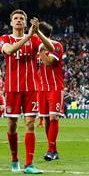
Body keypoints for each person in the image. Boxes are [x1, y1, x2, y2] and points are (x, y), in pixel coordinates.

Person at [0, 11, 54, 174]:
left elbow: (51, 48)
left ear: (25, 23)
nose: (18, 21)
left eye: (21, 19)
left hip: (31, 88)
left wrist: (37, 33)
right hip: (12, 89)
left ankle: (29, 164)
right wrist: (28, 36)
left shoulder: (35, 38)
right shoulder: (5, 38)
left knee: (30, 124)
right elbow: (9, 51)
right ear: (11, 23)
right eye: (15, 19)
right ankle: (14, 159)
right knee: (12, 125)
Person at [35, 22, 64, 161]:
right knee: (46, 119)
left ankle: (51, 151)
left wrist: (41, 51)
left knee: (53, 117)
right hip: (41, 89)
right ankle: (53, 150)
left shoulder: (56, 46)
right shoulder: (36, 48)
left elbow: (48, 63)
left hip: (55, 88)